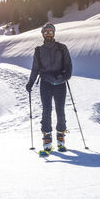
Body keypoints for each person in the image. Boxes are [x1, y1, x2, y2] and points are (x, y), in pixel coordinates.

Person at [26, 23, 72, 152]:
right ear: (42, 34)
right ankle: (47, 137)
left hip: (60, 83)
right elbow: (35, 68)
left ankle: (60, 136)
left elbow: (68, 66)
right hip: (45, 83)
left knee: (60, 110)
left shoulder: (62, 48)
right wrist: (30, 83)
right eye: (45, 32)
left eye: (50, 32)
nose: (48, 34)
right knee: (46, 110)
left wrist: (64, 77)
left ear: (54, 33)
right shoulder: (39, 50)